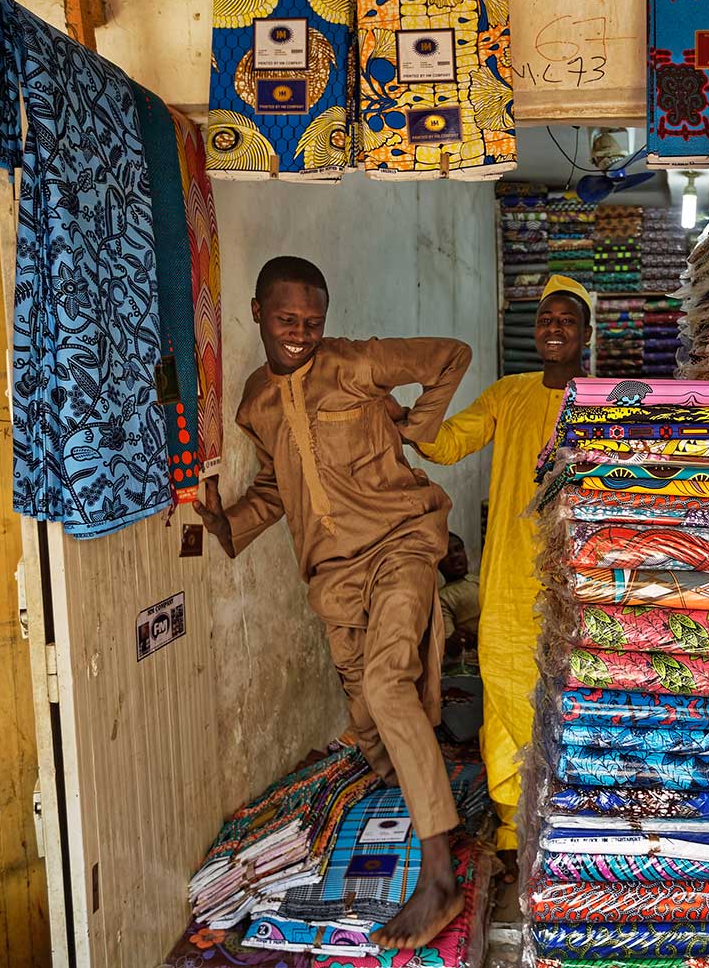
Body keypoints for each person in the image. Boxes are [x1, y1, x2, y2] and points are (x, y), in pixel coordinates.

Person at [194, 256, 471, 949]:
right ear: (257, 312)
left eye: (312, 322)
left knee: (386, 683)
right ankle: (432, 804)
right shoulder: (255, 403)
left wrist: (417, 428)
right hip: (333, 575)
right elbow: (277, 486)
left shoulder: (352, 364)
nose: (300, 333)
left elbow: (449, 356)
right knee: (370, 717)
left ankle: (439, 876)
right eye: (287, 320)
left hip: (402, 543)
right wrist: (226, 526)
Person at [402, 275, 593, 864]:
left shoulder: (610, 401)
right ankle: (515, 825)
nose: (553, 328)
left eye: (566, 319)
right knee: (507, 682)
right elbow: (448, 443)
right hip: (511, 573)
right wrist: (406, 417)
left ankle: (574, 814)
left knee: (575, 689)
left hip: (583, 573)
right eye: (545, 319)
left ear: (586, 333)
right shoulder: (508, 394)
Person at [437, 532, 480, 661]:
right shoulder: (443, 597)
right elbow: (450, 644)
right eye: (446, 553)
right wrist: (458, 639)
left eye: (458, 549)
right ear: (437, 562)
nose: (455, 556)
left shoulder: (484, 578)